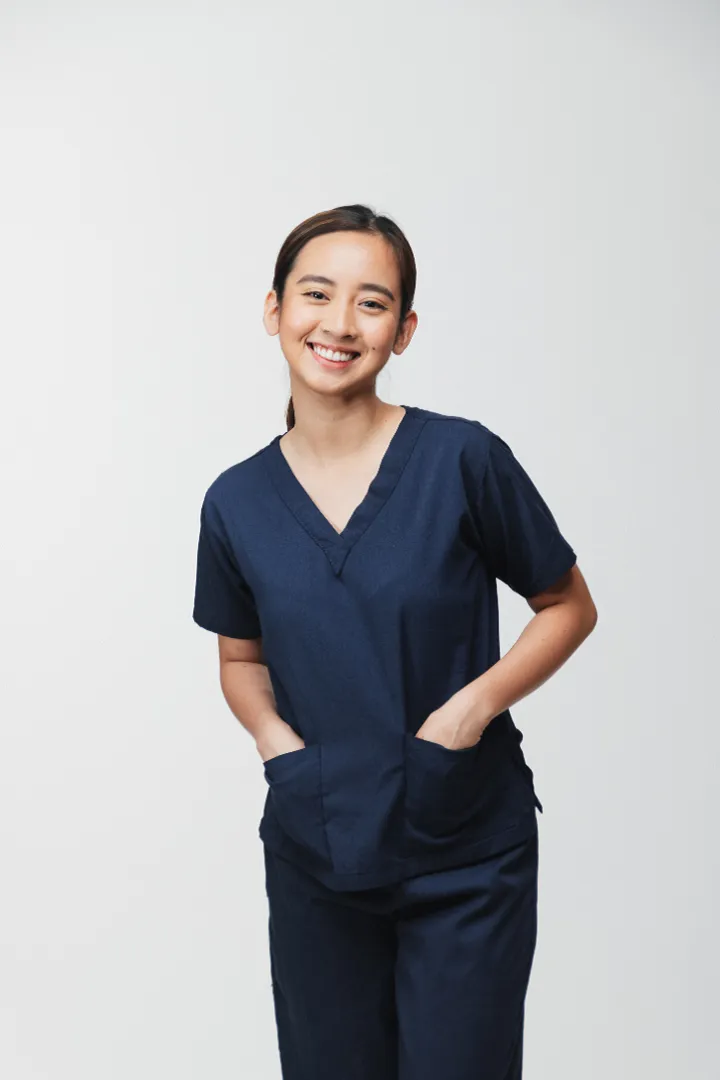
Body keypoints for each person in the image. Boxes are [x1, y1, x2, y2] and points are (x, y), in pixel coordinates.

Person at [192, 203, 598, 1079]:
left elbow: (567, 604)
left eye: (371, 303)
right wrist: (276, 745)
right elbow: (239, 660)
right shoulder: (236, 501)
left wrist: (470, 709)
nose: (339, 324)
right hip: (316, 840)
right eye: (315, 294)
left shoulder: (461, 459)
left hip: (464, 843)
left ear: (404, 330)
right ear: (274, 310)